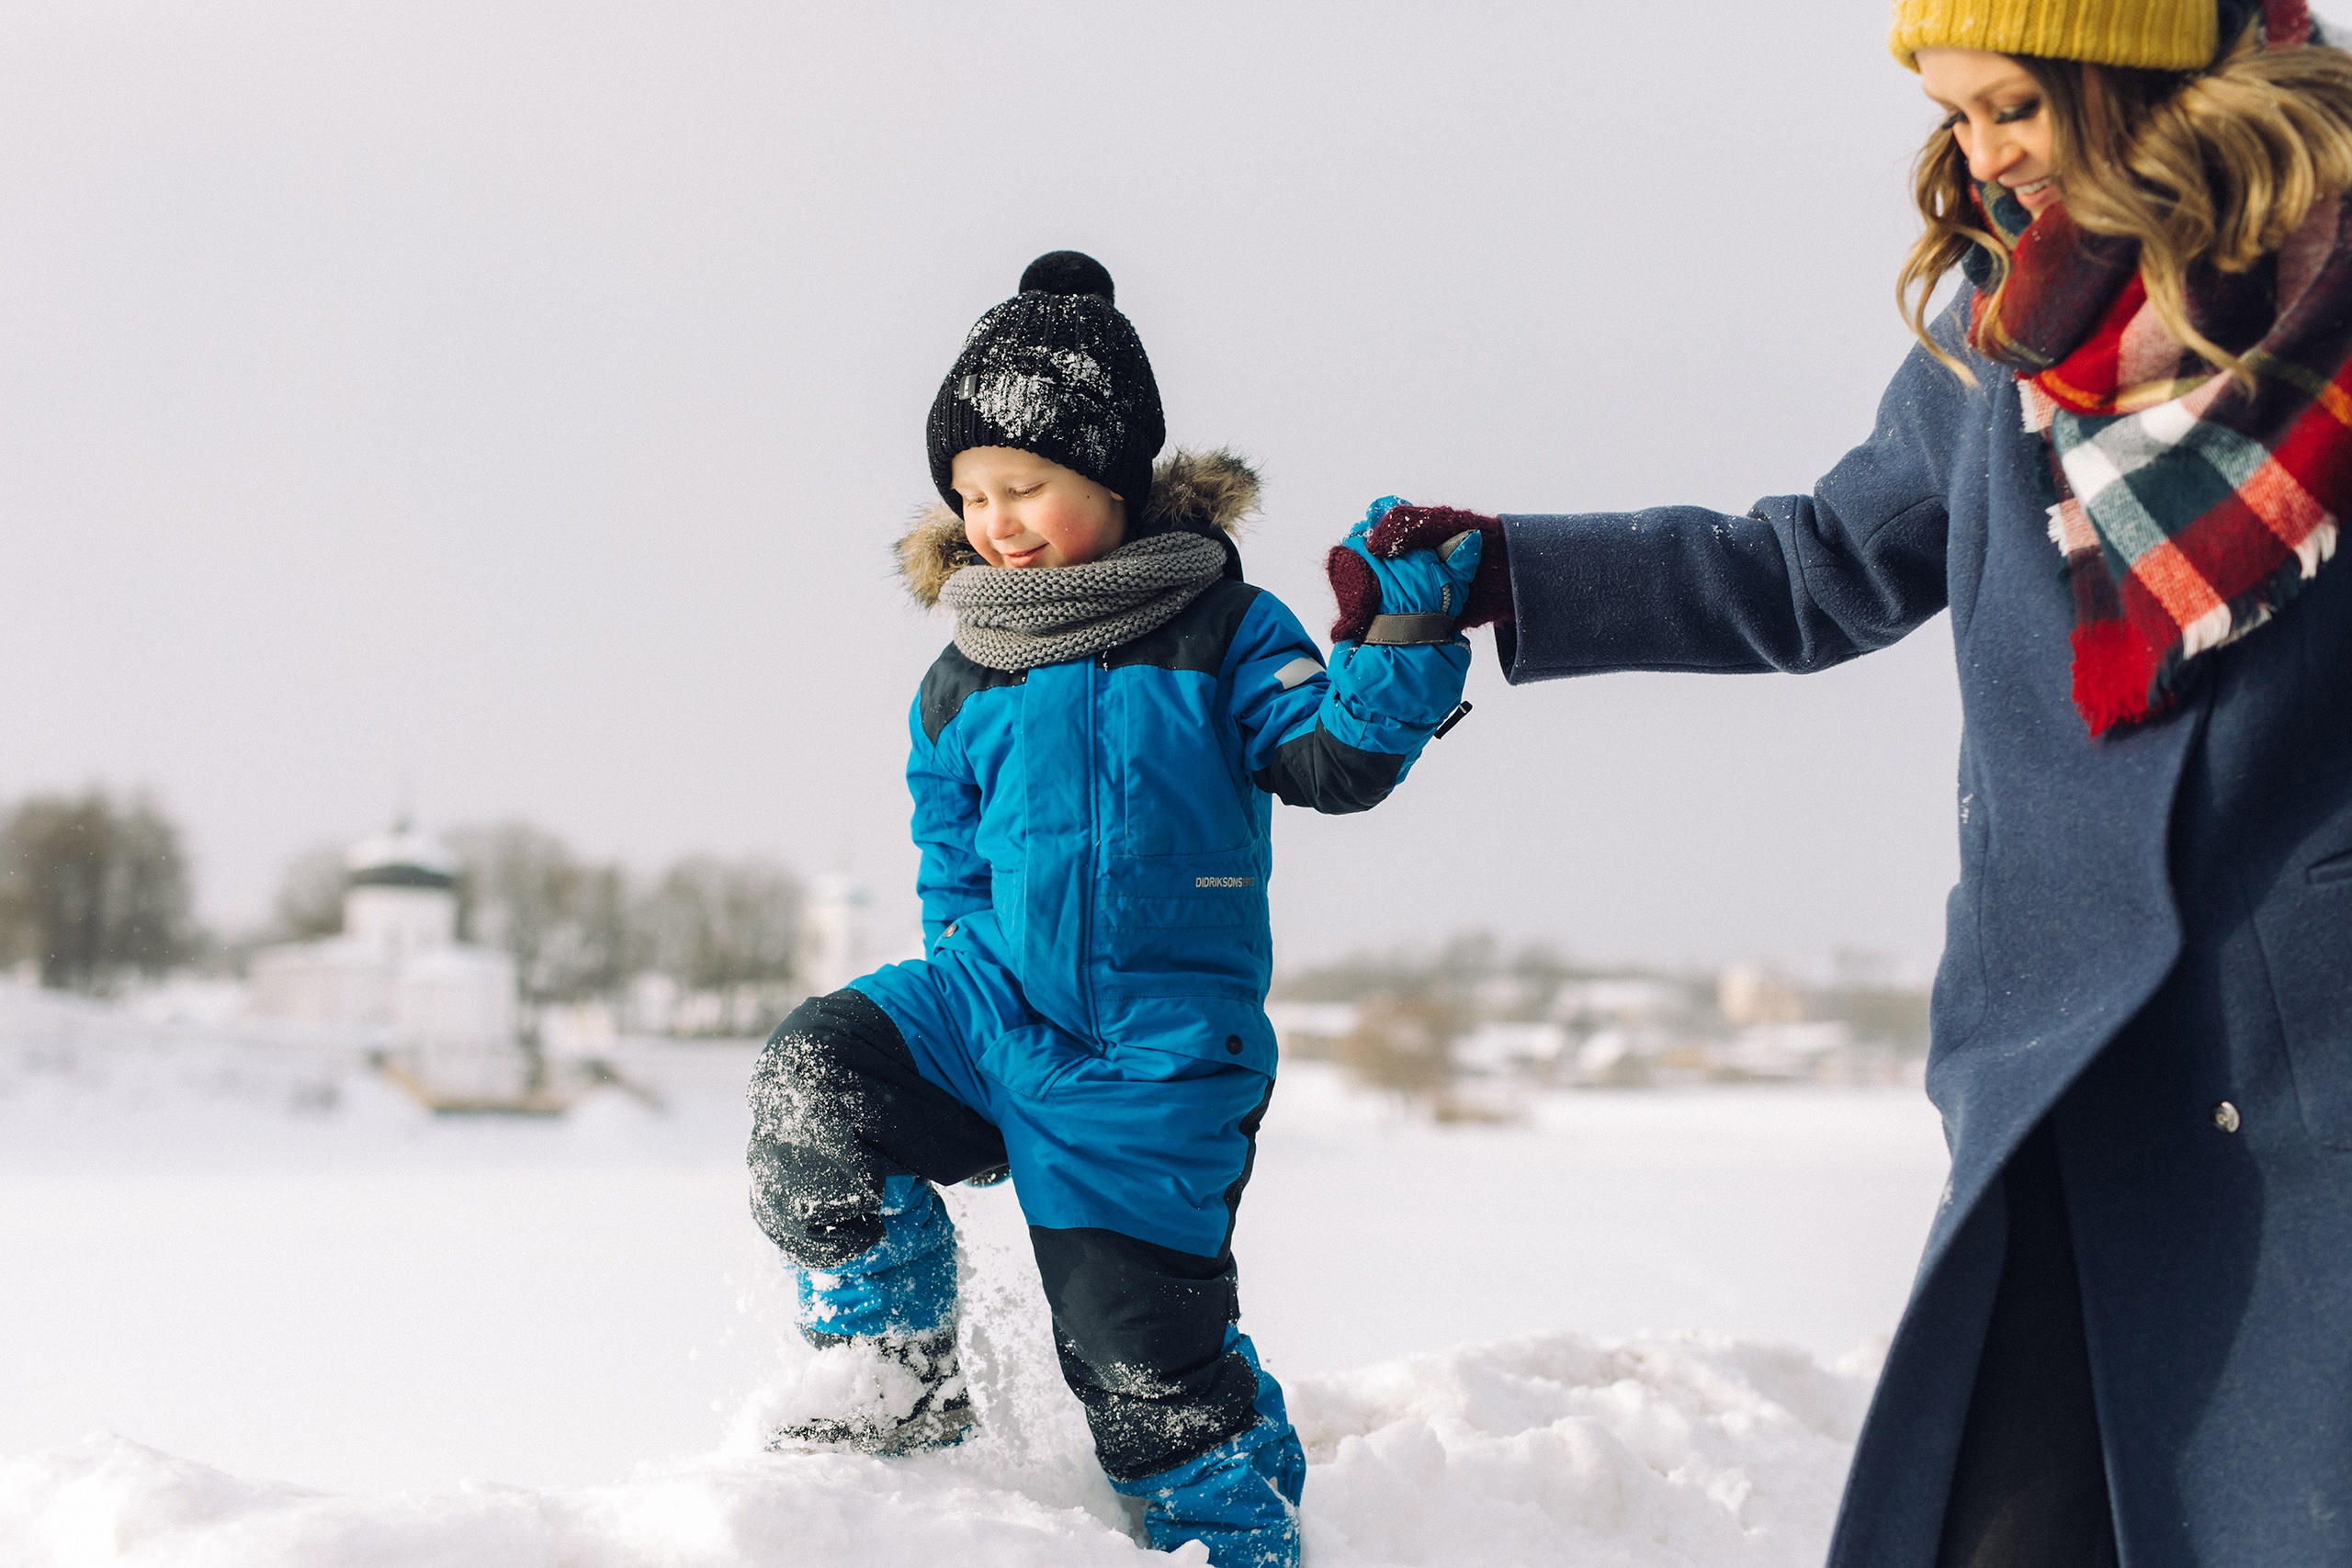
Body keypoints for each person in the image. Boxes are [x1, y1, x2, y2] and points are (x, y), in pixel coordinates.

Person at [1336, 3, 2352, 1563]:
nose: (1982, 155)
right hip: (2051, 1064)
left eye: (2015, 104)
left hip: (2299, 1079)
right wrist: (1512, 571)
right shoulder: (2003, 324)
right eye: (1955, 113)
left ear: (2145, 75)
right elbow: (1814, 567)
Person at [745, 251, 1480, 1568]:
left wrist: (1401, 646)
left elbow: (1333, 761)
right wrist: (968, 998)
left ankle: (1233, 1538)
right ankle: (891, 1377)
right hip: (989, 1009)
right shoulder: (961, 677)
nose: (997, 520)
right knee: (821, 1075)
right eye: (972, 494)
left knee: (1145, 1373)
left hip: (1153, 1053)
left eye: (1026, 486)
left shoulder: (1222, 631)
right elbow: (953, 867)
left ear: (1115, 479)